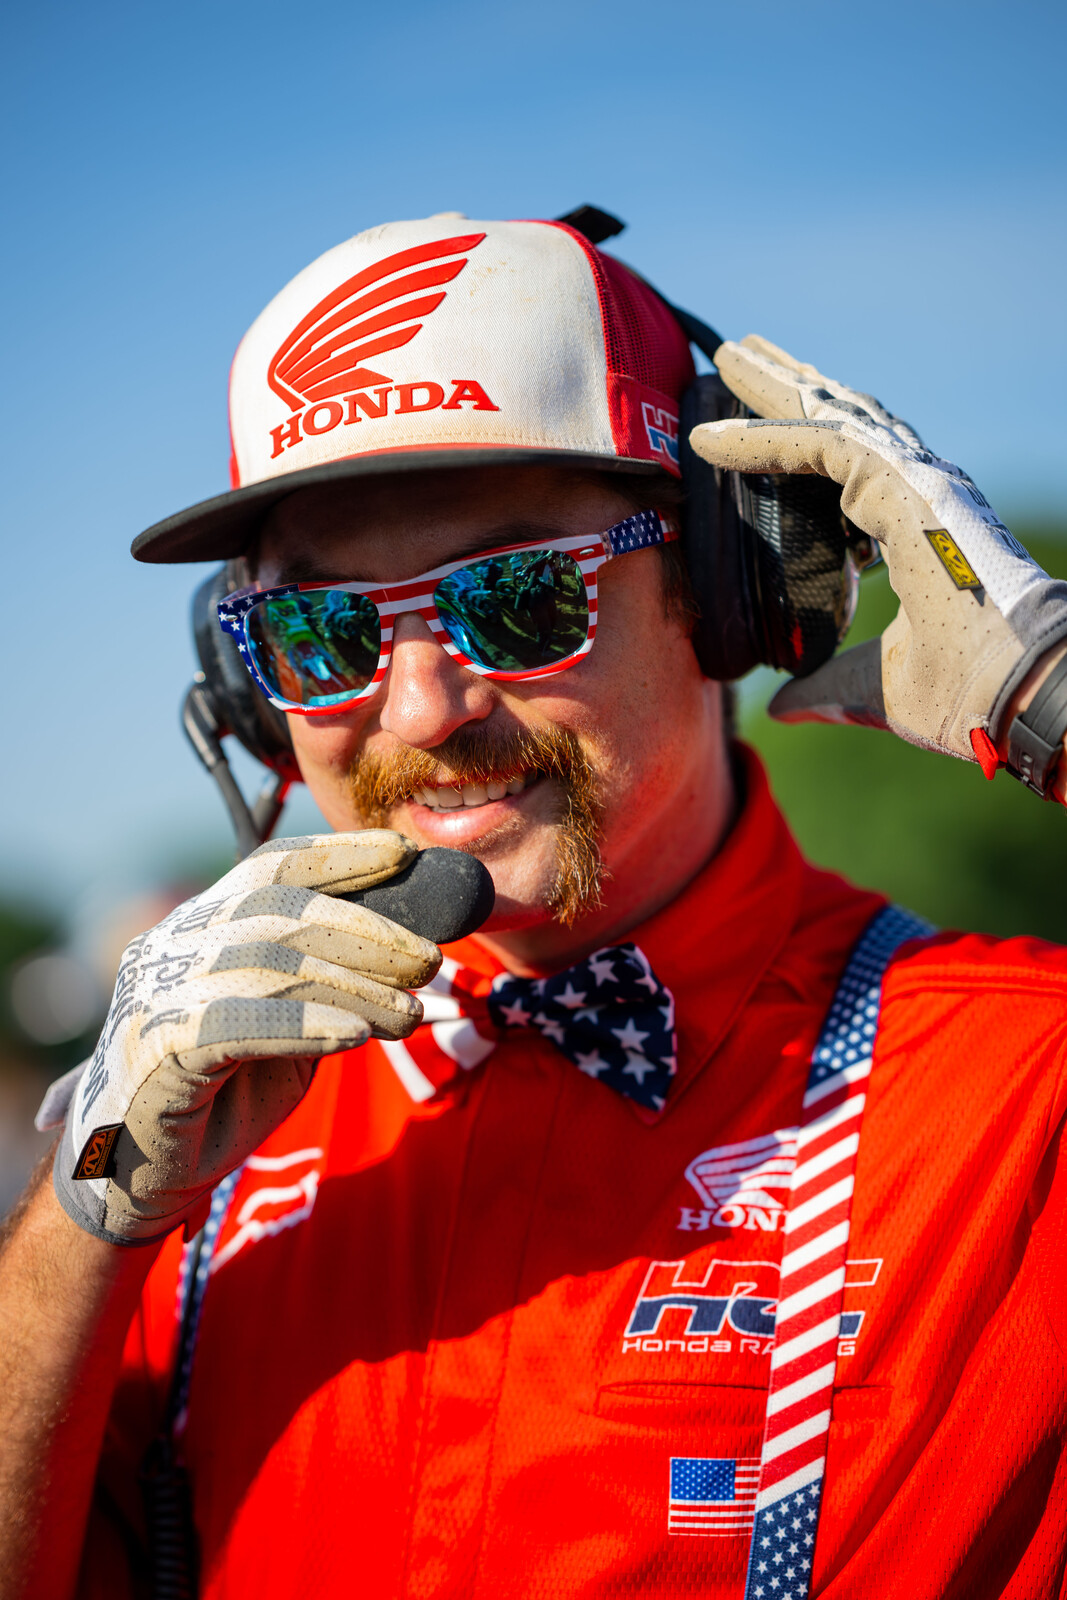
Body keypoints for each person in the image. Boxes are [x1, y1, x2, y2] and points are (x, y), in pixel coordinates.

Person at [1, 212, 1066, 1600]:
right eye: (322, 630)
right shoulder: (185, 1150)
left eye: (516, 599)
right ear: (246, 686)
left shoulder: (1023, 1085)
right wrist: (86, 1208)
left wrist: (1052, 700)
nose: (419, 711)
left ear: (728, 587)